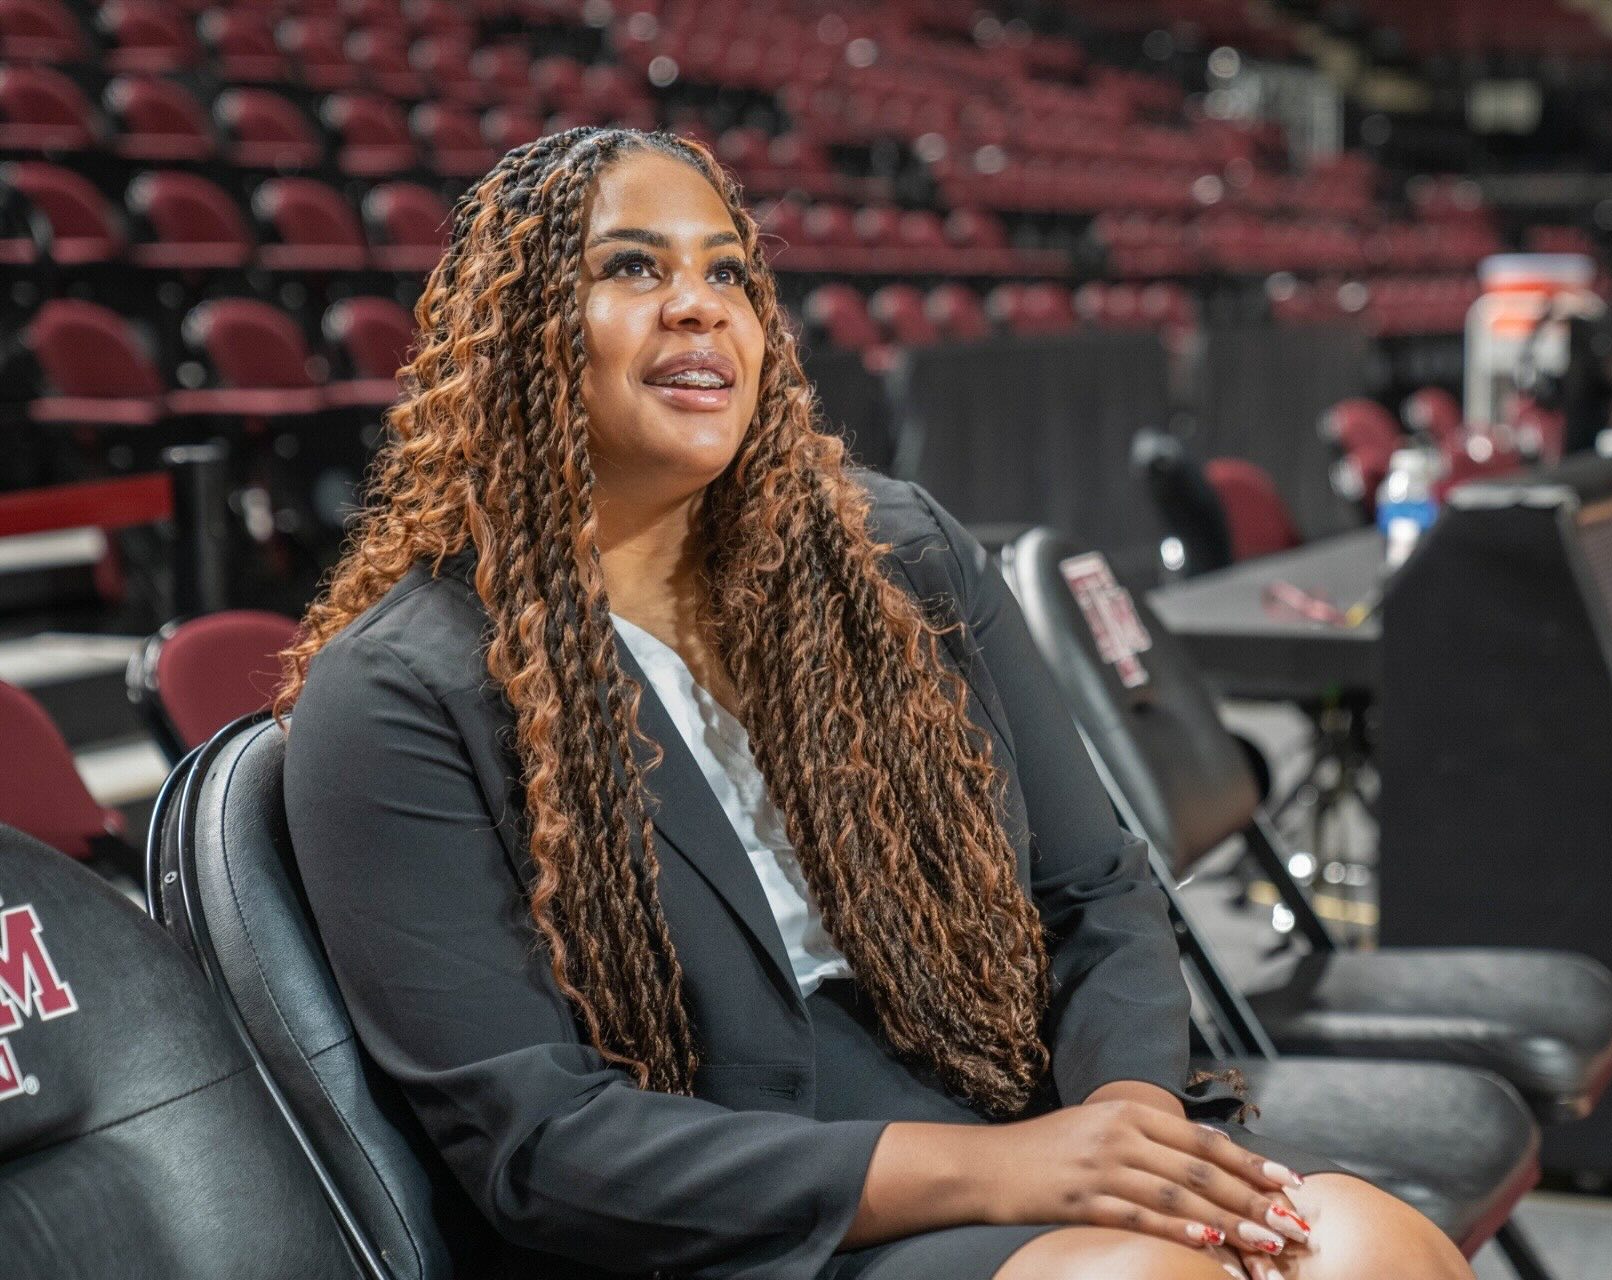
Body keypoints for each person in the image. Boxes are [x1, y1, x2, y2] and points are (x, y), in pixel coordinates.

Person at [277, 128, 1472, 1280]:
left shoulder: (893, 554)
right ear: (516, 337)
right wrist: (1005, 1171)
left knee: (1380, 1247)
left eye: (726, 272)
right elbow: (543, 1144)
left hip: (1015, 1098)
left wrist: (1126, 1117)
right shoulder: (400, 692)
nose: (698, 305)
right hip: (741, 1214)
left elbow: (1098, 886)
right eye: (631, 266)